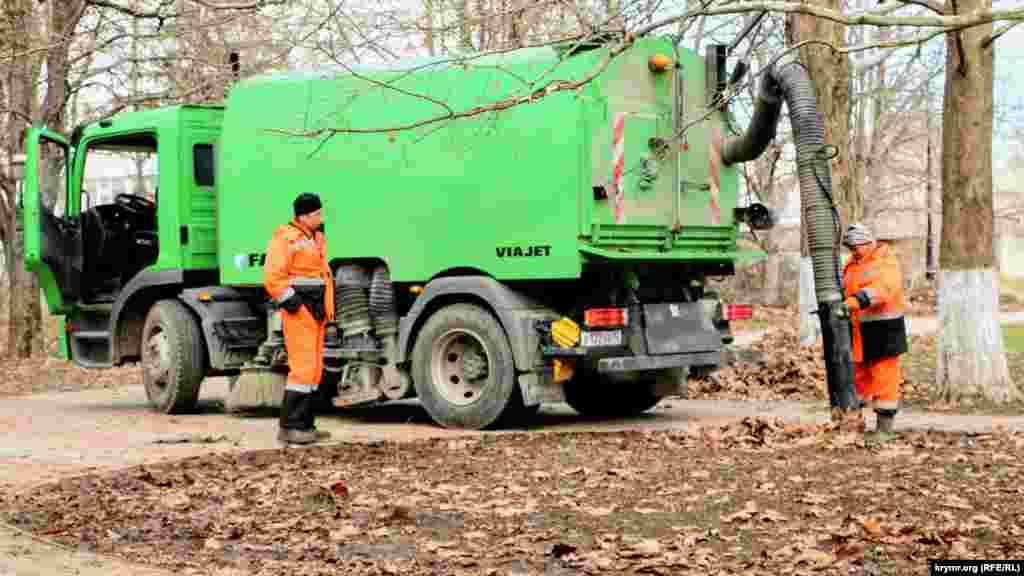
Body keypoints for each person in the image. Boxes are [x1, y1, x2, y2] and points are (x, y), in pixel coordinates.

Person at [264, 193, 336, 445]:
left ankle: (305, 425)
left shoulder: (315, 237)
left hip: (315, 309)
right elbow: (273, 278)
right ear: (303, 216)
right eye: (316, 214)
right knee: (303, 369)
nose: (320, 217)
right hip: (300, 308)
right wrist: (294, 304)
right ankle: (290, 427)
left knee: (314, 370)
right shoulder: (286, 237)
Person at [841, 223, 909, 438]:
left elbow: (884, 289)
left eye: (856, 247)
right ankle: (855, 426)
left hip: (884, 332)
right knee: (858, 379)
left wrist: (855, 301)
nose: (853, 252)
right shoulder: (851, 264)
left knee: (884, 380)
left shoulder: (886, 262)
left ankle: (884, 429)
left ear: (868, 243)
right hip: (860, 332)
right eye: (850, 248)